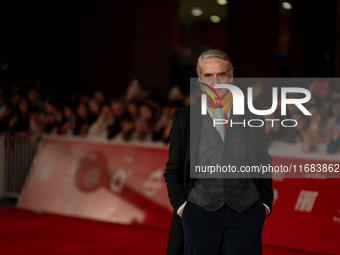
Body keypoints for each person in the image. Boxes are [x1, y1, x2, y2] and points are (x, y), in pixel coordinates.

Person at [164, 49, 273, 255]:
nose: (215, 81)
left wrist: (264, 204)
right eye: (208, 75)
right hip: (199, 211)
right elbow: (174, 169)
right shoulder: (184, 118)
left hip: (247, 212)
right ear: (199, 78)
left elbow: (262, 160)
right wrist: (182, 207)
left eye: (221, 74)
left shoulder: (253, 112)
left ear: (231, 76)